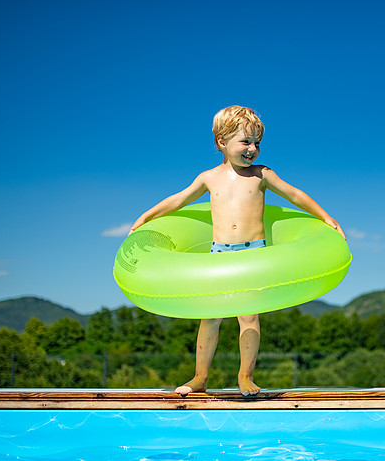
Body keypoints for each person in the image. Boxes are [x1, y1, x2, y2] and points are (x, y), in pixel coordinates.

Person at [128, 106, 345, 396]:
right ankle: (199, 378)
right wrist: (146, 217)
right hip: (219, 253)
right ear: (222, 142)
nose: (252, 149)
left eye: (257, 142)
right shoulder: (208, 178)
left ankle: (245, 377)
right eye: (245, 141)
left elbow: (294, 194)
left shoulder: (262, 174)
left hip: (253, 253)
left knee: (249, 318)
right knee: (210, 318)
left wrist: (326, 217)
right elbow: (179, 200)